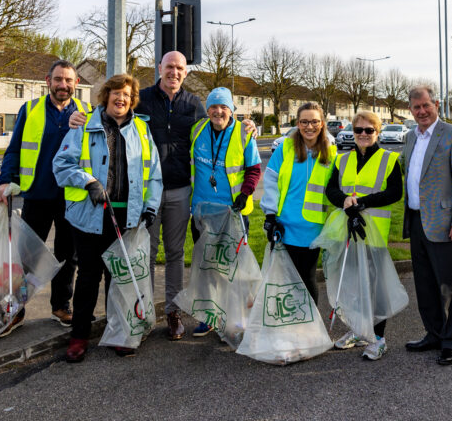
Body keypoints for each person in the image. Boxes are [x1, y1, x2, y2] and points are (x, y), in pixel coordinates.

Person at [69, 51, 256, 341]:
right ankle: (140, 314)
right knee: (142, 254)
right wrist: (80, 115)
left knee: (175, 254)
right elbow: (111, 112)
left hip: (182, 191)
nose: (174, 72)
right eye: (169, 66)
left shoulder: (195, 104)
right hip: (144, 193)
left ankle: (172, 312)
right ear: (160, 68)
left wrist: (247, 124)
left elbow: (222, 122)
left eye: (180, 68)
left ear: (185, 72)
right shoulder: (140, 97)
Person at [54, 74, 163, 362]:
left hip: (127, 217)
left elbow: (154, 174)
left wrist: (150, 208)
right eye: (116, 93)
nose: (121, 99)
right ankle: (79, 337)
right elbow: (61, 165)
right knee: (89, 277)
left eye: (126, 95)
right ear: (106, 96)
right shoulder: (84, 125)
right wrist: (88, 181)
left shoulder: (141, 129)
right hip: (90, 216)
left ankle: (119, 332)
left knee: (121, 279)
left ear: (132, 99)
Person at [0, 60, 92, 336]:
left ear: (75, 84)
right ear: (47, 81)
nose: (64, 85)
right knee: (26, 258)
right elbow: (14, 150)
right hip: (37, 195)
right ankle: (15, 311)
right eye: (59, 79)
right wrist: (5, 180)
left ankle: (61, 306)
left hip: (72, 197)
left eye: (69, 80)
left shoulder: (87, 112)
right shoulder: (31, 109)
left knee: (67, 255)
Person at [400, 85, 452, 366]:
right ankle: (433, 333)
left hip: (445, 223)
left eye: (426, 106)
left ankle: (451, 340)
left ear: (437, 104)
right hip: (417, 220)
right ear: (411, 110)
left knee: (448, 285)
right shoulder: (409, 137)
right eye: (416, 107)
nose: (421, 111)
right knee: (424, 283)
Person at [325, 110, 403, 361]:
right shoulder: (342, 159)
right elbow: (331, 190)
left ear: (377, 132)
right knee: (353, 285)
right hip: (347, 229)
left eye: (369, 130)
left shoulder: (389, 159)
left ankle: (378, 338)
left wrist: (362, 202)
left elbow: (394, 193)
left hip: (374, 233)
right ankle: (359, 330)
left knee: (375, 288)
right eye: (358, 130)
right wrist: (346, 202)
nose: (363, 134)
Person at [188, 87, 261, 336]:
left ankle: (236, 318)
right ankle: (210, 316)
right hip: (202, 211)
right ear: (207, 109)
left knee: (234, 268)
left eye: (223, 107)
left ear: (231, 110)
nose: (218, 112)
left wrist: (246, 193)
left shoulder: (244, 133)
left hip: (233, 212)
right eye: (213, 107)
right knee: (207, 267)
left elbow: (254, 169)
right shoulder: (197, 130)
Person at [260, 102, 336, 305]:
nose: (309, 127)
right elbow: (270, 181)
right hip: (285, 225)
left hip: (313, 228)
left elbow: (336, 190)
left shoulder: (331, 153)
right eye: (304, 121)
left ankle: (310, 328)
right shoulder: (285, 148)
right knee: (284, 280)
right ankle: (288, 325)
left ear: (322, 124)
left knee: (307, 278)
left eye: (314, 121)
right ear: (297, 123)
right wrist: (270, 215)